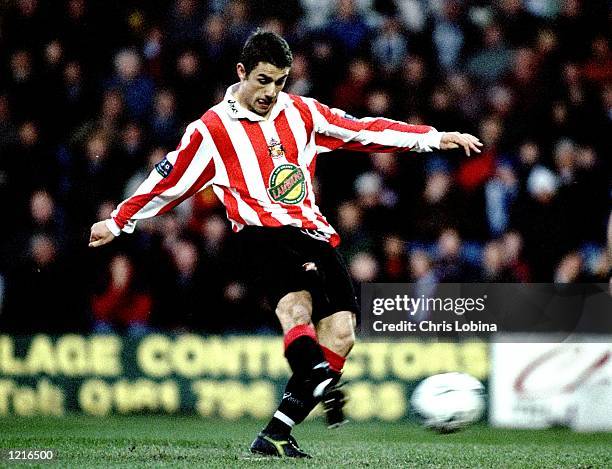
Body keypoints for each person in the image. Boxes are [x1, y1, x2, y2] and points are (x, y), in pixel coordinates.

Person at [88, 30, 482, 458]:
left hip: (313, 232)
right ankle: (315, 373)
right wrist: (118, 221)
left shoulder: (302, 113)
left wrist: (430, 137)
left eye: (280, 80)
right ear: (241, 72)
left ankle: (276, 432)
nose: (271, 91)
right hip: (260, 235)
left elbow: (362, 131)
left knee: (342, 336)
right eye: (262, 80)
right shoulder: (212, 129)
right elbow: (169, 182)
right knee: (295, 308)